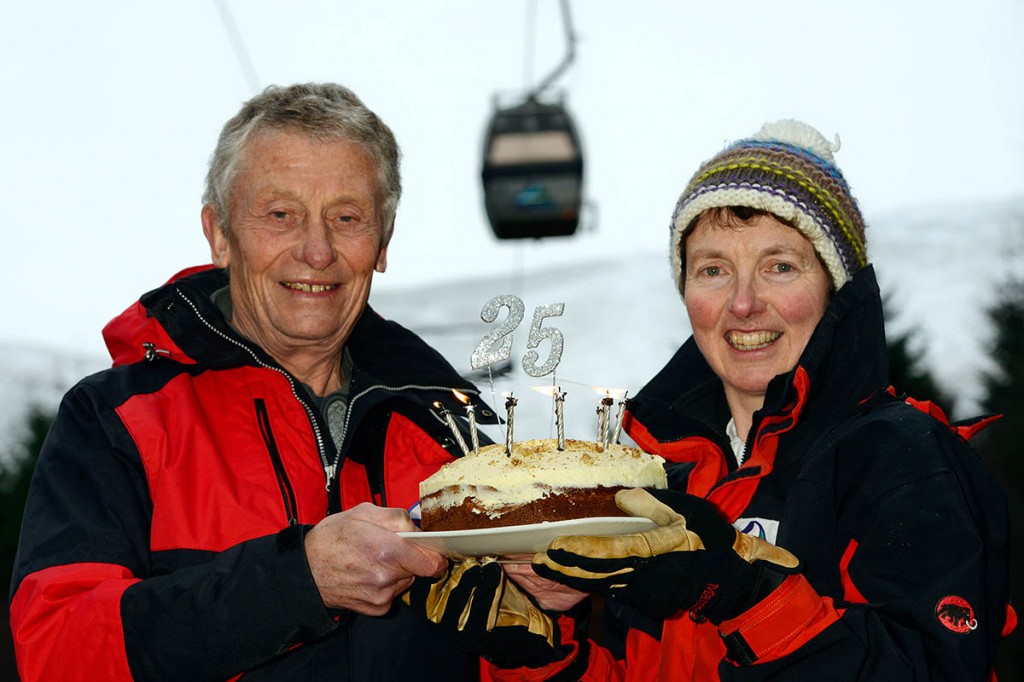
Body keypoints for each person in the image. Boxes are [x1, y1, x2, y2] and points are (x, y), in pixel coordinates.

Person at [406, 120, 1016, 680]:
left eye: (780, 266)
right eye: (713, 270)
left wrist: (738, 591)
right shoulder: (662, 471)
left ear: (836, 287)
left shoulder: (902, 459)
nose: (743, 303)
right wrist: (536, 655)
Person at [9, 82, 495, 681]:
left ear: (382, 243)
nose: (317, 251)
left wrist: (551, 623)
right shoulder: (116, 420)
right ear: (219, 234)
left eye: (347, 218)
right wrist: (294, 585)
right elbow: (55, 651)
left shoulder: (454, 440)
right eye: (280, 215)